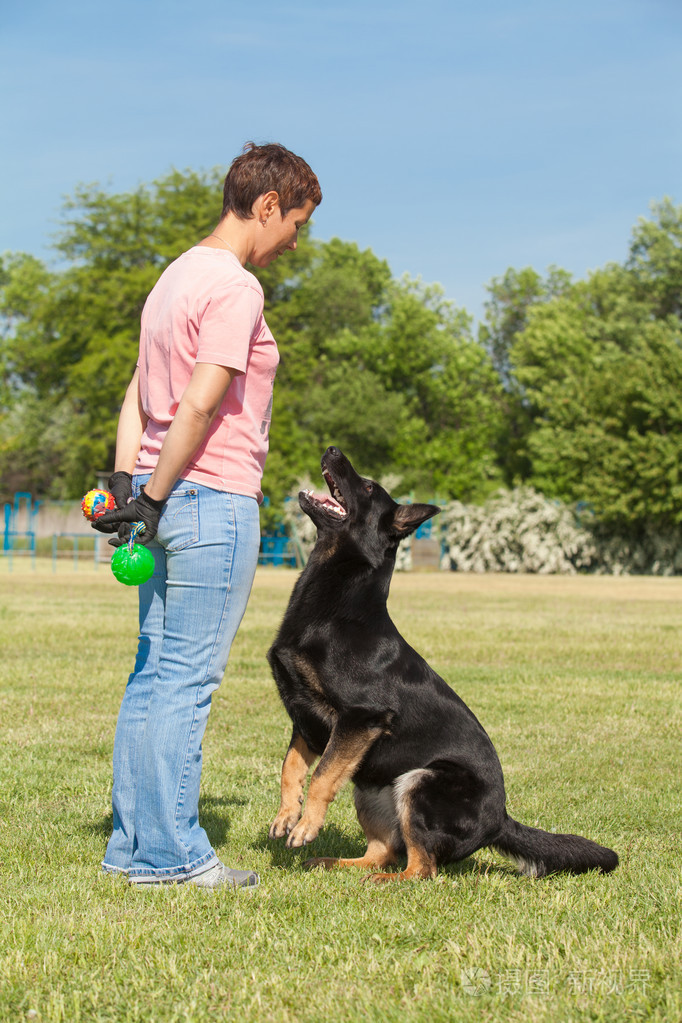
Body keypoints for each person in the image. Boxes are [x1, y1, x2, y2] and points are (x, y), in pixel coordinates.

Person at [93, 142, 322, 890]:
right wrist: (154, 497)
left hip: (160, 498)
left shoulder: (171, 278)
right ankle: (174, 856)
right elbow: (200, 398)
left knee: (152, 673)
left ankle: (132, 846)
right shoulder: (234, 287)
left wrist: (128, 484)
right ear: (266, 206)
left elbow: (135, 393)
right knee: (185, 681)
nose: (296, 239)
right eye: (297, 221)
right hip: (210, 499)